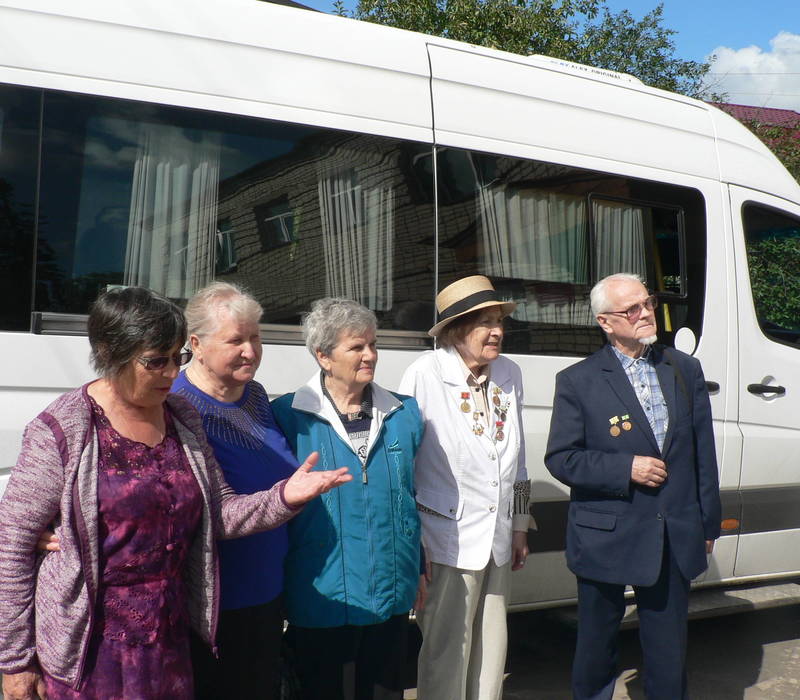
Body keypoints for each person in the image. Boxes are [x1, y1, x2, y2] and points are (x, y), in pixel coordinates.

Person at [0, 286, 350, 700]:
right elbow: (12, 547)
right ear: (112, 353)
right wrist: (15, 661)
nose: (170, 373)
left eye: (177, 357)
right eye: (155, 361)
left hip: (169, 639)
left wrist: (284, 497)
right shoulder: (63, 429)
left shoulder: (181, 417)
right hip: (88, 649)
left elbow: (217, 513)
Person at [544, 273, 721, 700]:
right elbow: (561, 458)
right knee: (596, 643)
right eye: (632, 309)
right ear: (606, 323)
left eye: (648, 303)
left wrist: (707, 523)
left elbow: (702, 451)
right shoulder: (578, 380)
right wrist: (627, 468)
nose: (646, 314)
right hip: (607, 531)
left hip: (671, 532)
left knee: (667, 646)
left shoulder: (684, 368)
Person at [271, 297, 424, 700]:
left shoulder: (404, 413)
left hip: (392, 592)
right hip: (321, 592)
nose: (370, 355)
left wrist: (418, 565)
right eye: (356, 347)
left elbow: (413, 495)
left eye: (373, 344)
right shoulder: (287, 416)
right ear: (323, 356)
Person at [398, 275, 530, 700]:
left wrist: (521, 523)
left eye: (499, 321)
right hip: (445, 539)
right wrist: (413, 542)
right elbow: (403, 461)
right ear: (456, 329)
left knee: (492, 649)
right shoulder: (425, 374)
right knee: (446, 650)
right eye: (484, 323)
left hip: (497, 536)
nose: (496, 331)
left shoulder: (510, 373)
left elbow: (519, 457)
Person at [170, 281, 297, 699]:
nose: (251, 350)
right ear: (196, 344)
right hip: (215, 604)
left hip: (267, 591)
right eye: (236, 340)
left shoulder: (256, 396)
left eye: (256, 337)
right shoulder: (174, 406)